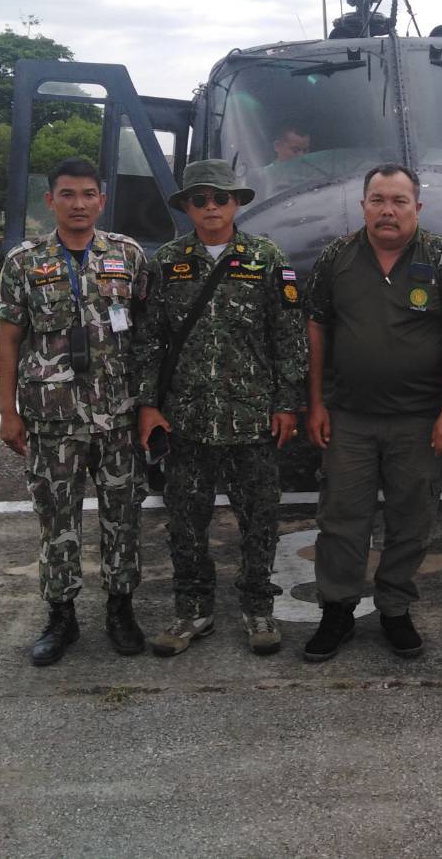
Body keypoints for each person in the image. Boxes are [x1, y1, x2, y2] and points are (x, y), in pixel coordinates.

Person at [303, 163, 442, 661]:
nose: (388, 210)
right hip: (349, 418)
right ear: (363, 205)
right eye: (378, 200)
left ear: (417, 208)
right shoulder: (336, 256)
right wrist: (315, 403)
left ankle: (395, 607)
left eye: (399, 201)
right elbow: (316, 326)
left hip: (420, 419)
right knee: (341, 519)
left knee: (412, 517)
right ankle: (337, 609)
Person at [134, 160, 308, 657]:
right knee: (186, 522)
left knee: (260, 520)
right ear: (187, 207)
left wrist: (288, 403)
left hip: (252, 418)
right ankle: (193, 609)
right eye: (200, 199)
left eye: (220, 198)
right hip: (186, 420)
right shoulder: (166, 262)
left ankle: (258, 607)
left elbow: (289, 337)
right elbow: (148, 340)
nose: (210, 206)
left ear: (236, 203)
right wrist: (147, 405)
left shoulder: (267, 258)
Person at [0, 157, 150, 666]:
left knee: (123, 516)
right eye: (67, 194)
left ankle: (120, 610)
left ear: (102, 200)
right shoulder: (24, 261)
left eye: (87, 194)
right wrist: (8, 412)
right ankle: (61, 617)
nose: (78, 204)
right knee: (56, 519)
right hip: (52, 419)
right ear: (50, 201)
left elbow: (147, 335)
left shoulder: (127, 254)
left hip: (118, 416)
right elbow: (8, 340)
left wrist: (149, 404)